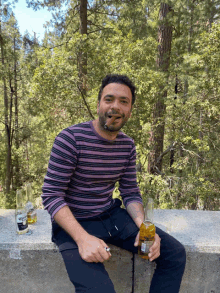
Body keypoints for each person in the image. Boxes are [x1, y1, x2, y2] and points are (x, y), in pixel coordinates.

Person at [42, 74, 186, 293]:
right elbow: (52, 195)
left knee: (174, 253)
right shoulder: (70, 139)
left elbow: (129, 192)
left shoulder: (127, 146)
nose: (115, 106)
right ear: (99, 103)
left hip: (110, 216)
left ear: (130, 110)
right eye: (109, 99)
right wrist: (83, 240)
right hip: (73, 223)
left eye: (124, 101)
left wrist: (145, 228)